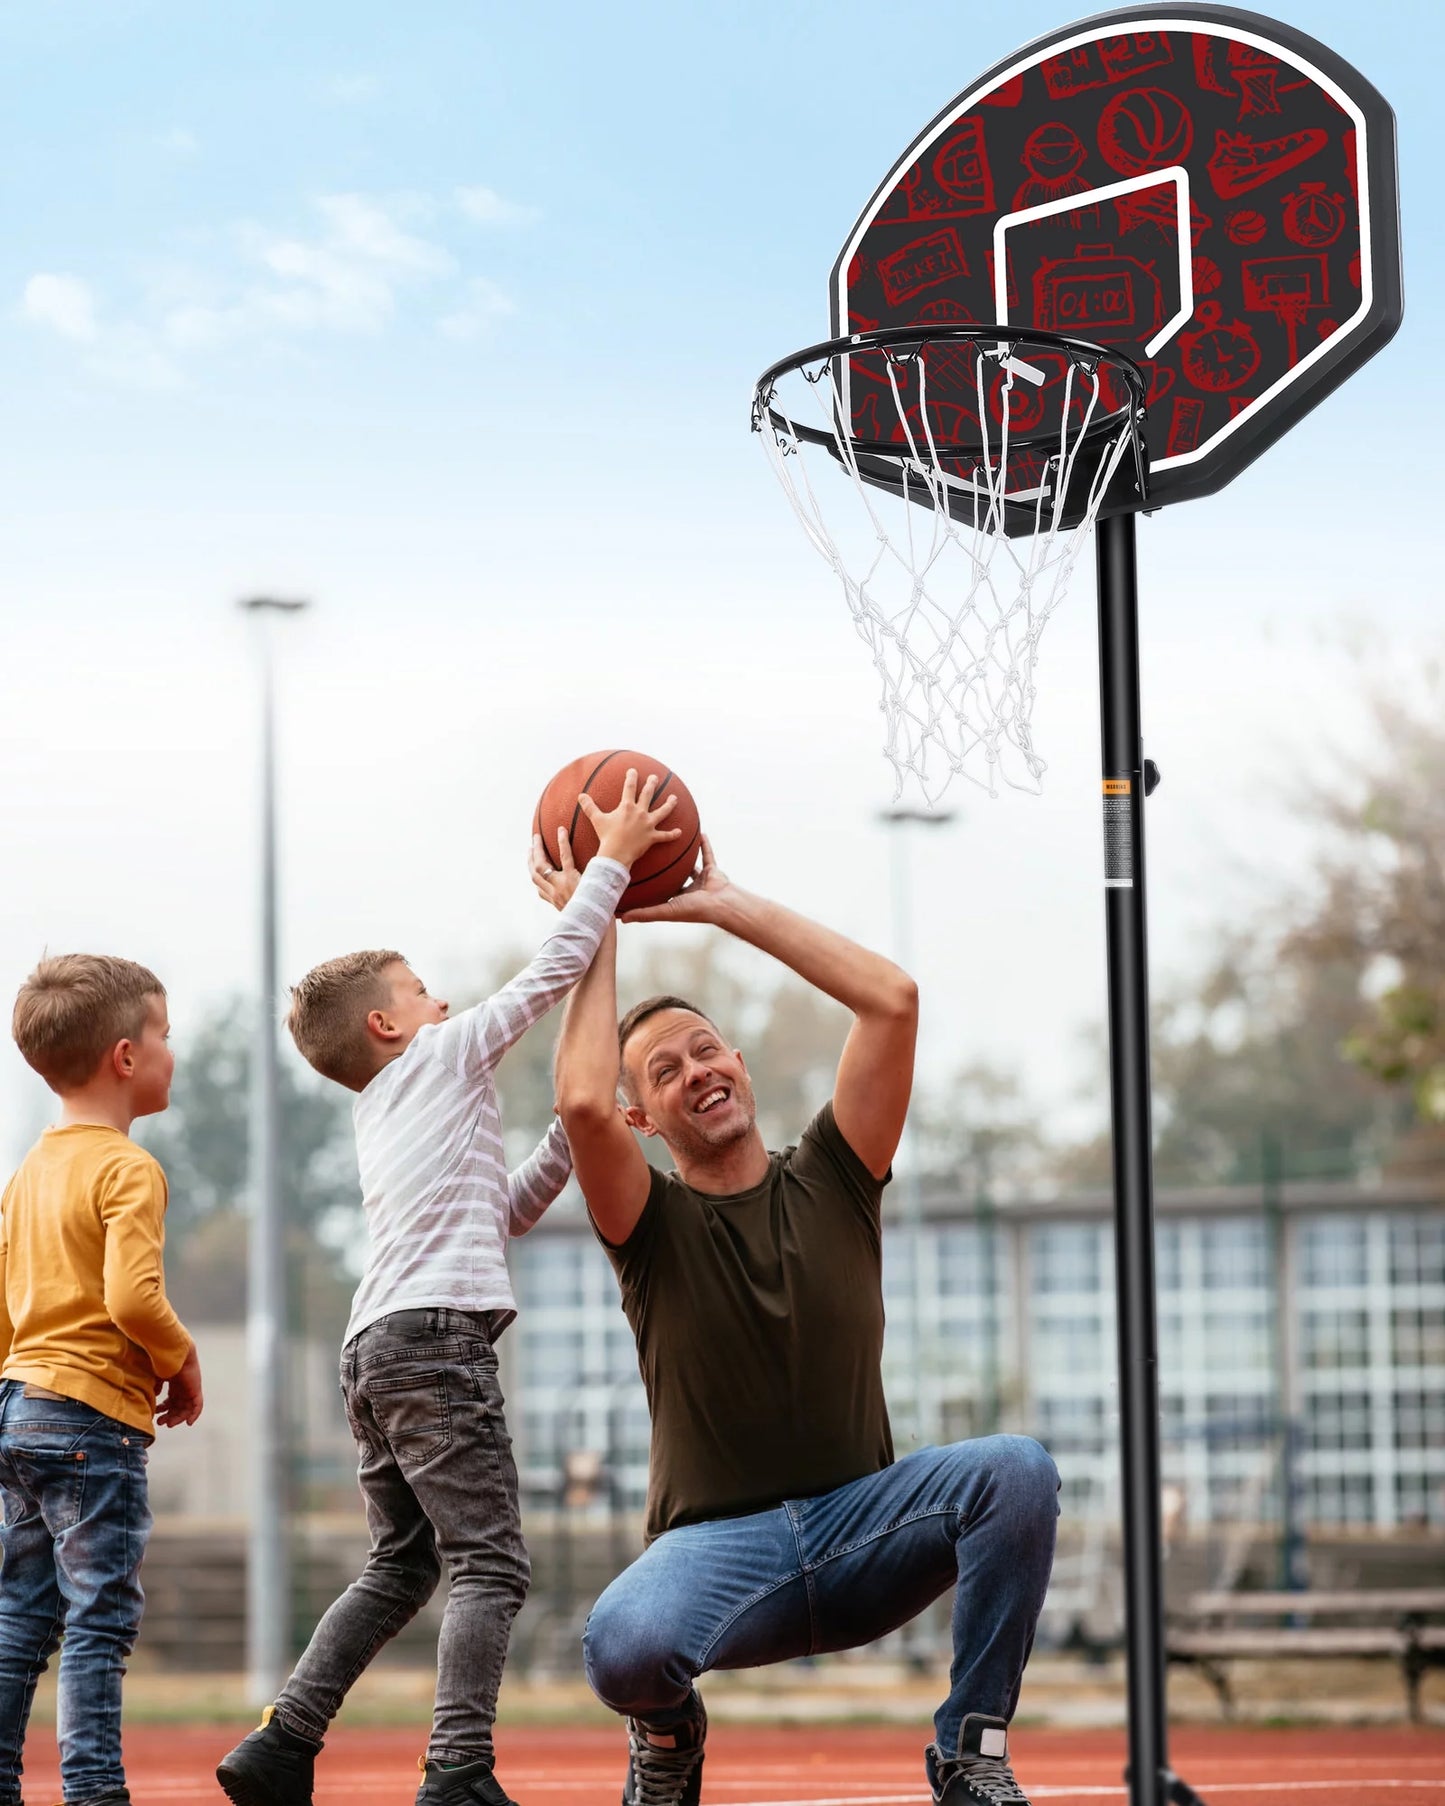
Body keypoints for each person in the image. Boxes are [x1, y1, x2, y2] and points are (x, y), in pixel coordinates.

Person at [550, 836, 1060, 1806]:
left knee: (1015, 1471)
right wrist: (600, 908)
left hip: (864, 1529)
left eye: (705, 1049)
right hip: (717, 1555)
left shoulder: (835, 1174)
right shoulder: (648, 1226)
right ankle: (665, 1742)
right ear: (643, 1121)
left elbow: (891, 1000)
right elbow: (579, 1101)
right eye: (663, 1070)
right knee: (622, 1644)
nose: (695, 1069)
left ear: (738, 1065)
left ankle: (970, 1748)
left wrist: (723, 902)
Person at [217, 772, 678, 1806]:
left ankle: (281, 1744)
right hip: (430, 1344)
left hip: (375, 1345)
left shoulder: (388, 1106)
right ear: (391, 1027)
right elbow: (548, 976)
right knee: (491, 1565)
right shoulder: (434, 1058)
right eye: (420, 989)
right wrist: (609, 865)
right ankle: (457, 1768)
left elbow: (504, 1211)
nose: (441, 1000)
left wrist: (579, 1122)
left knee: (399, 1566)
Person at [0, 954, 204, 1806]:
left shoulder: (29, 1173)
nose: (170, 1048)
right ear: (126, 1056)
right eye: (163, 1032)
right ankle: (93, 1790)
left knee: (18, 1617)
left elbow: (6, 1308)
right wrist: (181, 1357)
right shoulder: (128, 1169)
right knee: (98, 1620)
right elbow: (133, 1297)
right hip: (91, 1424)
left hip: (18, 1408)